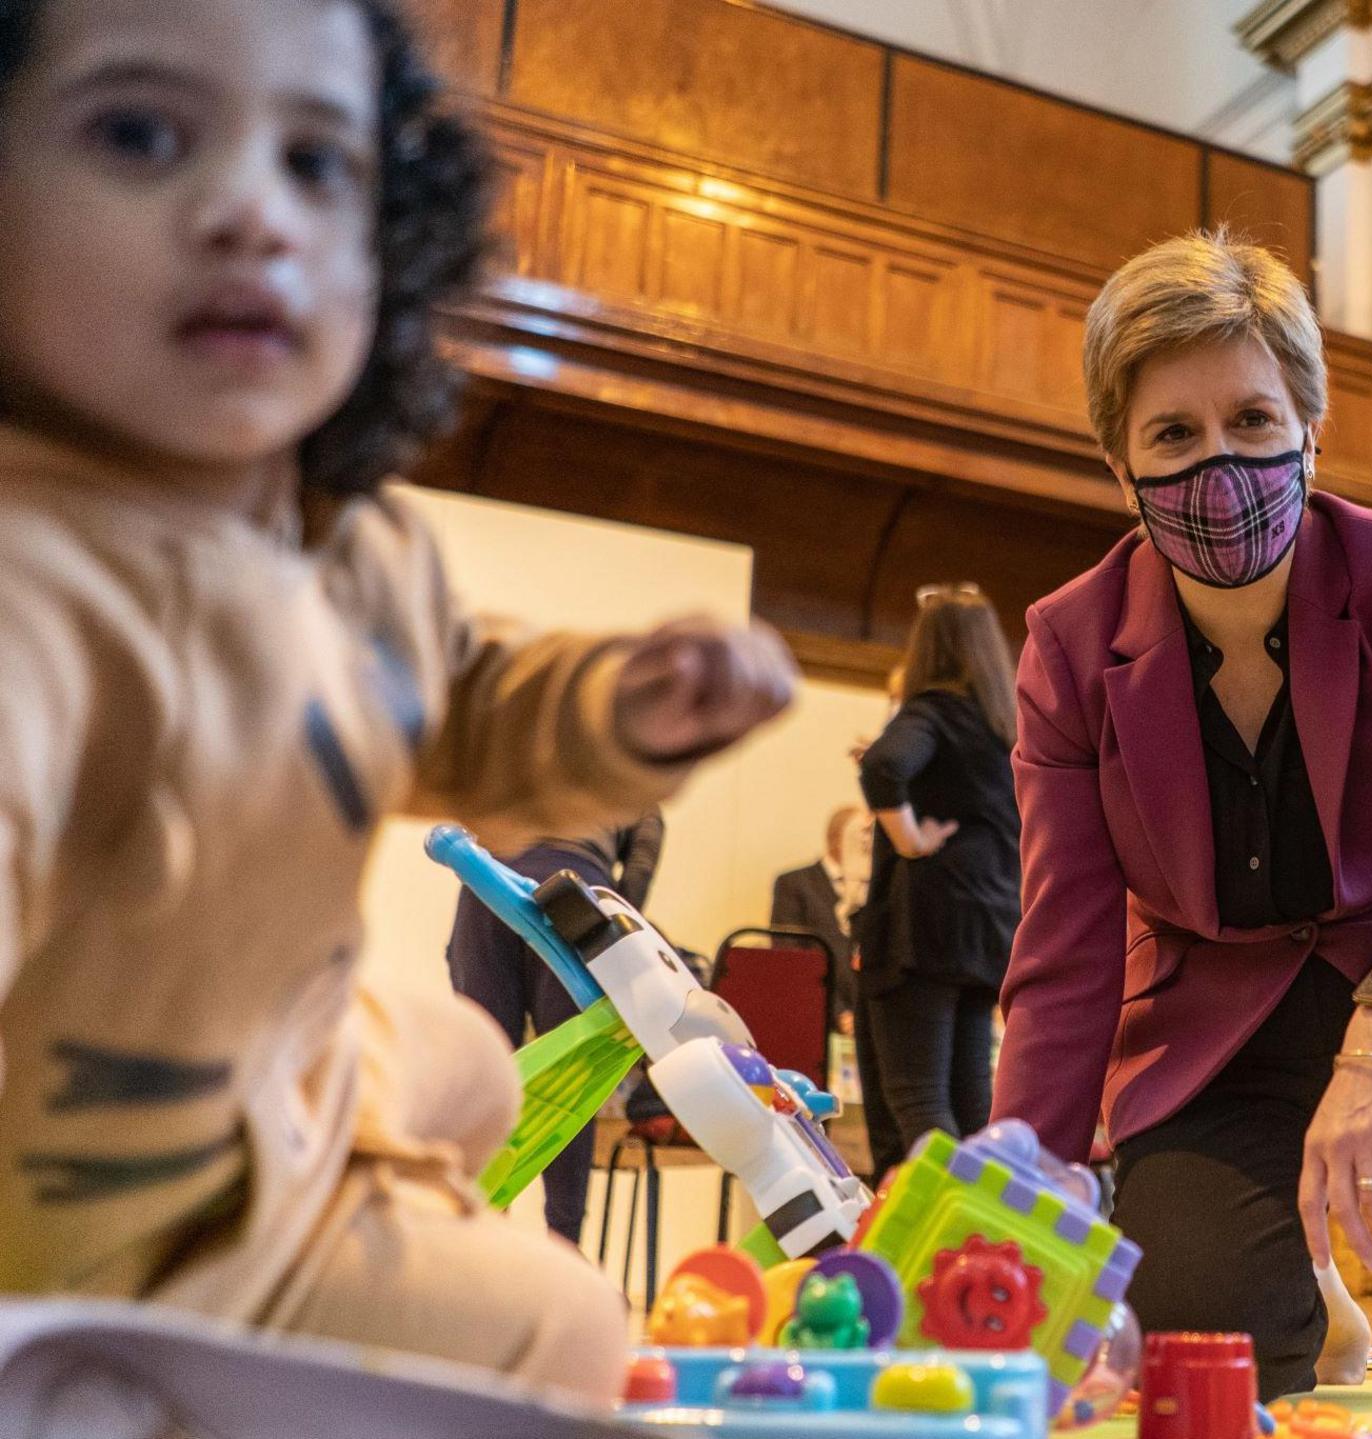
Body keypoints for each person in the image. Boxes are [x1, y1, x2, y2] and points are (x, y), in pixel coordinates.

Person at [0, 0, 796, 1403]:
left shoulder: (357, 541)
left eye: (318, 164)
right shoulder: (38, 578)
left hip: (288, 1062)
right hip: (142, 1209)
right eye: (140, 134)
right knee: (566, 1329)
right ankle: (185, 1368)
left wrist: (624, 702)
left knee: (476, 1062)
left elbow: (473, 703)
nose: (254, 211)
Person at [994, 232, 1372, 1404]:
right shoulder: (1069, 647)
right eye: (1172, 434)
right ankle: (1308, 1279)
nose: (1217, 463)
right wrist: (1018, 1188)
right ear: (1118, 461)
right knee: (1197, 1338)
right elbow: (1064, 943)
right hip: (1213, 1022)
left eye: (1251, 419)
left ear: (1308, 428)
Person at [856, 585, 1022, 1151]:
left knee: (918, 1099)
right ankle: (986, 1235)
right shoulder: (1006, 725)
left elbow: (883, 767)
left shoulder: (932, 709)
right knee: (972, 1100)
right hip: (991, 927)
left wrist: (909, 840)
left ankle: (950, 1232)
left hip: (922, 930)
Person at [447, 811, 662, 1244]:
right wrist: (607, 925)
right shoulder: (630, 768)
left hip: (489, 878)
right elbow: (642, 859)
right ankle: (564, 1243)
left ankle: (475, 1235)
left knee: (485, 1069)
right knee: (574, 1079)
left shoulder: (525, 742)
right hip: (575, 891)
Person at [771, 803, 901, 1183]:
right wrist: (839, 1011)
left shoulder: (879, 889)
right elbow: (792, 959)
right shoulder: (795, 886)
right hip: (817, 1030)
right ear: (835, 839)